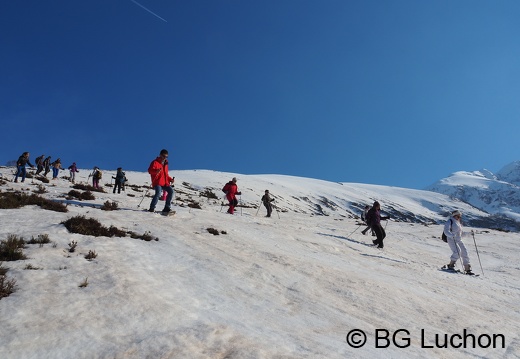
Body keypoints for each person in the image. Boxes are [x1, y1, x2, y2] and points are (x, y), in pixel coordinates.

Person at [444, 210, 473, 274]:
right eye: (458, 216)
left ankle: (467, 268)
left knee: (464, 252)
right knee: (457, 251)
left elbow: (461, 234)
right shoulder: (450, 221)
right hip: (451, 239)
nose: (459, 218)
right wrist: (452, 235)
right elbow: (446, 231)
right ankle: (451, 265)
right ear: (454, 215)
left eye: (460, 216)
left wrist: (470, 233)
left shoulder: (458, 223)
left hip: (458, 239)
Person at [147, 149, 175, 213]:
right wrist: (155, 171)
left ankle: (167, 207)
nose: (165, 158)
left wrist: (170, 179)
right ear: (160, 155)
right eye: (164, 156)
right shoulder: (155, 162)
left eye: (166, 157)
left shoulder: (166, 164)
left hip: (165, 183)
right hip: (157, 182)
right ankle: (152, 208)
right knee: (158, 193)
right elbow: (149, 171)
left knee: (171, 191)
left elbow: (166, 175)